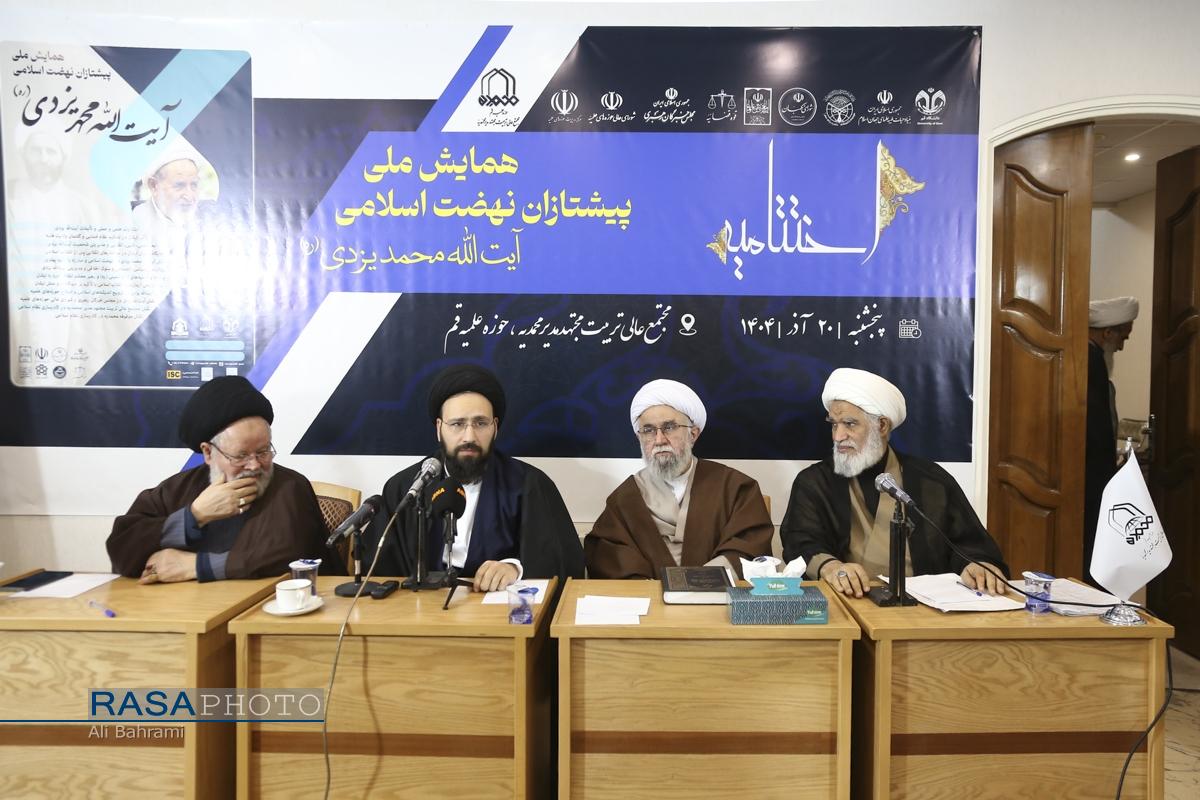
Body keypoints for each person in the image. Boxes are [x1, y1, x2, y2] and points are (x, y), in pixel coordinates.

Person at [781, 368, 1009, 597]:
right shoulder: (814, 482)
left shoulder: (931, 481)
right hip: (848, 601)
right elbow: (799, 541)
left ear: (882, 426)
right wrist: (830, 567)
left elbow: (968, 544)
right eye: (834, 424)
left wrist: (976, 565)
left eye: (849, 424)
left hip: (923, 607)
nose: (837, 436)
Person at [363, 364, 584, 591]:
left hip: (496, 608)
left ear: (495, 427)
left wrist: (515, 569)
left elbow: (563, 561)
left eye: (480, 423)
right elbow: (379, 569)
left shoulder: (529, 485)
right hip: (421, 608)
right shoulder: (406, 488)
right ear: (439, 428)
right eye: (457, 424)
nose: (469, 436)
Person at [107, 376, 330, 582]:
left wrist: (197, 566)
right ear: (208, 452)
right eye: (241, 455)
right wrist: (194, 516)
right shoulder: (176, 490)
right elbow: (122, 549)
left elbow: (292, 555)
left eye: (263, 451)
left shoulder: (291, 487)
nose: (254, 465)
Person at [585, 379, 773, 579]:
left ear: (693, 434)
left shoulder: (735, 488)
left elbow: (749, 547)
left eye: (669, 427)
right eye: (648, 430)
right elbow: (609, 556)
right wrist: (650, 589)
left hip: (719, 593)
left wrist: (700, 582)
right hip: (650, 596)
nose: (659, 440)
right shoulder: (624, 498)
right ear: (639, 438)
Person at [1084, 296, 1139, 585]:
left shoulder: (1092, 357)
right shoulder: (1091, 359)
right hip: (1090, 478)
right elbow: (1093, 429)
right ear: (1107, 333)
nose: (1121, 347)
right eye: (1122, 338)